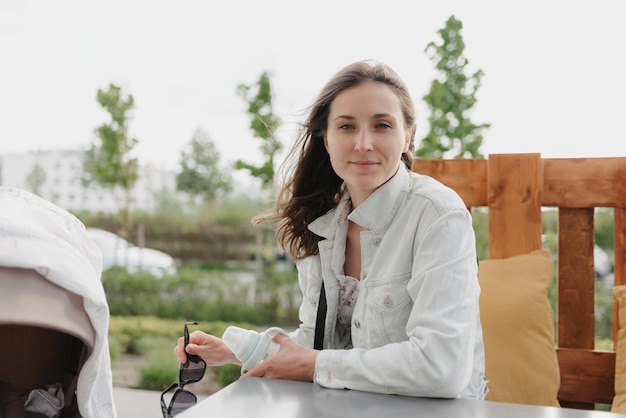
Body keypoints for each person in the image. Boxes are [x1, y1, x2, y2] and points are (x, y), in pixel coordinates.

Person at [174, 60, 487, 399]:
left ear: (407, 136)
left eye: (382, 125)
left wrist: (314, 365)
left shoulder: (438, 215)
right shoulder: (324, 223)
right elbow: (317, 343)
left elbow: (441, 368)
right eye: (347, 127)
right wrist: (239, 351)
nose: (363, 143)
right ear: (326, 138)